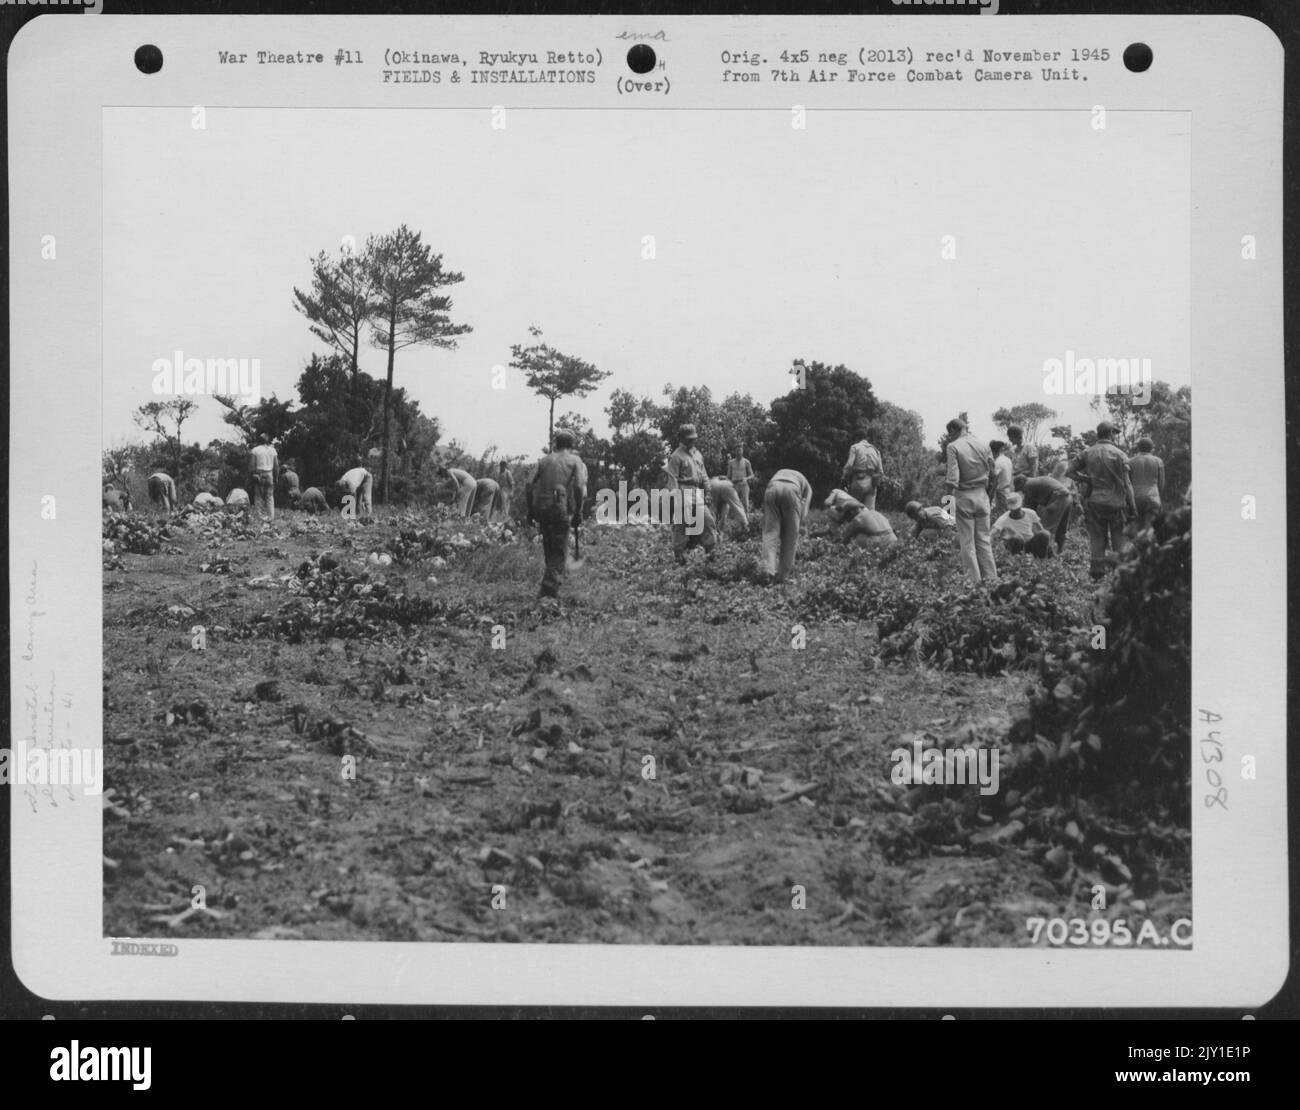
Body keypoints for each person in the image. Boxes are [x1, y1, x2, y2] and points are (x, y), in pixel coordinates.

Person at [1068, 421, 1137, 580]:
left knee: (1097, 538)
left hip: (1095, 502)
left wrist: (1087, 480)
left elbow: (1069, 472)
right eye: (1115, 433)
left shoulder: (1087, 452)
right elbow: (1127, 484)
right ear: (1111, 433)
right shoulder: (1120, 454)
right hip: (1116, 504)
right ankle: (1119, 575)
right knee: (1118, 538)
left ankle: (1097, 575)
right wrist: (1133, 507)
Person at [526, 430, 588, 599]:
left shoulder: (544, 460)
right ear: (571, 445)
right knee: (559, 552)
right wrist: (578, 511)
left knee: (549, 548)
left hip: (542, 507)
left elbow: (529, 484)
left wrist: (531, 510)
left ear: (556, 444)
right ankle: (547, 594)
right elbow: (579, 486)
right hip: (558, 507)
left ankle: (548, 590)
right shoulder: (575, 460)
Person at [944, 418, 998, 584]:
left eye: (950, 433)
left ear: (954, 430)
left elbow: (952, 479)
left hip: (964, 496)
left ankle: (974, 584)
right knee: (984, 541)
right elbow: (994, 474)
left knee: (967, 544)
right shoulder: (983, 445)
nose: (949, 437)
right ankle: (992, 581)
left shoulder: (953, 447)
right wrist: (988, 496)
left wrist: (947, 510)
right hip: (982, 496)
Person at [664, 424, 717, 564]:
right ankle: (679, 558)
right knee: (681, 526)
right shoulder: (676, 457)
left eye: (693, 439)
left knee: (708, 522)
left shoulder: (697, 454)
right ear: (681, 439)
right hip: (683, 492)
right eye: (689, 439)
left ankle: (711, 555)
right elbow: (672, 479)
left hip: (697, 492)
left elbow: (704, 475)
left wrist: (708, 492)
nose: (692, 441)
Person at [760, 468, 813, 581]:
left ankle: (768, 569)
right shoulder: (808, 487)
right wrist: (800, 523)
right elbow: (805, 509)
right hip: (792, 490)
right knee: (790, 537)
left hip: (772, 488)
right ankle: (782, 575)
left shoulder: (780, 472)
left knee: (770, 532)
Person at [1016, 472, 1074, 554]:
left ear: (1021, 483)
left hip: (1057, 499)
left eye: (1021, 489)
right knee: (1061, 528)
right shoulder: (1036, 481)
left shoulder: (1028, 485)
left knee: (1043, 529)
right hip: (1068, 498)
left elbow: (1028, 509)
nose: (1022, 492)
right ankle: (1059, 552)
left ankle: (1044, 553)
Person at [824, 491, 897, 549]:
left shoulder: (857, 519)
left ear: (851, 512)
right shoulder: (876, 512)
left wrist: (832, 547)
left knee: (859, 537)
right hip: (893, 540)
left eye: (846, 515)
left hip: (879, 543)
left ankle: (865, 558)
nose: (847, 519)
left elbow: (844, 541)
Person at [991, 492, 1052, 558]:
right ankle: (1018, 559)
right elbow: (993, 532)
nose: (1015, 511)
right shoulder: (1003, 518)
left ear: (1021, 505)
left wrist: (1045, 544)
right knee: (1017, 538)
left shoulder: (1030, 513)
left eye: (1017, 508)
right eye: (1013, 510)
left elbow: (1040, 529)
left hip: (1029, 543)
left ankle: (1042, 558)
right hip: (1015, 544)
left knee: (1045, 534)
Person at [841, 426, 883, 511]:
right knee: (870, 513)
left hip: (858, 482)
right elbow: (881, 472)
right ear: (866, 438)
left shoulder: (855, 447)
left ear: (856, 438)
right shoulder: (876, 450)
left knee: (854, 511)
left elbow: (849, 465)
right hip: (872, 483)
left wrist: (843, 477)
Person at [1129, 437, 1165, 528]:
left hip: (1136, 498)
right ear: (1152, 448)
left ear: (1138, 447)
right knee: (1150, 529)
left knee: (1138, 530)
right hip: (1153, 498)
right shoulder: (1158, 461)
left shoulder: (1131, 461)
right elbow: (1161, 483)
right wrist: (1158, 496)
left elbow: (1128, 482)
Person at [247, 436, 279, 522]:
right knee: (269, 496)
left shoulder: (255, 450)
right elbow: (276, 466)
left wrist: (251, 476)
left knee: (258, 497)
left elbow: (251, 465)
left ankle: (260, 518)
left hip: (259, 474)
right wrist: (276, 478)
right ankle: (270, 518)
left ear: (258, 441)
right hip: (269, 474)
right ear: (268, 441)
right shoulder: (273, 450)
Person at [726, 444, 755, 513]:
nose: (738, 452)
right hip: (734, 485)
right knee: (734, 505)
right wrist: (728, 484)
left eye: (740, 450)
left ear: (742, 451)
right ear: (734, 452)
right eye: (737, 451)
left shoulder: (746, 462)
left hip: (744, 485)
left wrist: (746, 479)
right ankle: (734, 522)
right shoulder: (731, 462)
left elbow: (752, 475)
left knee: (745, 504)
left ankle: (747, 522)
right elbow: (728, 476)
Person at [989, 440, 1014, 517]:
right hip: (1008, 490)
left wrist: (991, 495)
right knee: (1007, 513)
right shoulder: (1008, 460)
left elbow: (995, 480)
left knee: (1002, 515)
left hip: (1001, 492)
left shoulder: (998, 462)